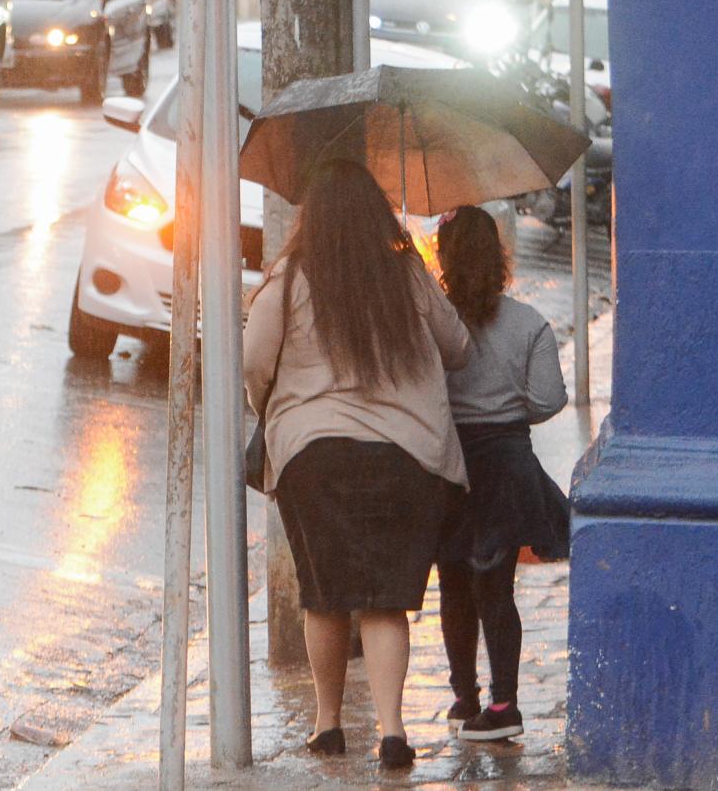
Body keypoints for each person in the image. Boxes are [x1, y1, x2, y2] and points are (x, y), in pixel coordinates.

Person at [243, 159, 471, 769]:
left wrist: (272, 405)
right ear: (374, 212)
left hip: (314, 456)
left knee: (325, 594)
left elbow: (254, 361)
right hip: (407, 457)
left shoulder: (288, 278)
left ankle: (328, 724)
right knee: (384, 598)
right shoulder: (405, 273)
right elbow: (460, 350)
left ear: (309, 217)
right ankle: (393, 732)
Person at [433, 205, 571, 742]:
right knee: (497, 586)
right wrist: (509, 412)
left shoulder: (435, 322)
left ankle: (464, 697)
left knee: (452, 583)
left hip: (450, 463)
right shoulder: (530, 324)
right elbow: (550, 398)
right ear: (500, 257)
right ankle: (505, 704)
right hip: (509, 464)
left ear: (443, 258)